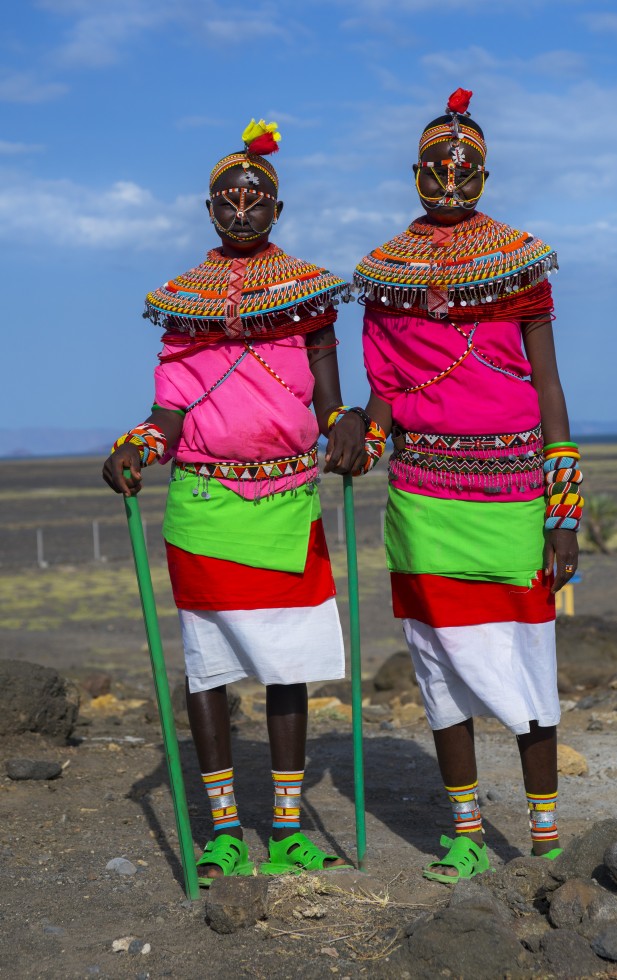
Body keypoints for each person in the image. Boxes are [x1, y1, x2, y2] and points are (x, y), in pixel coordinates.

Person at [103, 118, 369, 884]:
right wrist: (137, 450)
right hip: (204, 511)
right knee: (208, 669)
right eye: (228, 199)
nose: (242, 209)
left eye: (256, 198)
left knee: (287, 669)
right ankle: (222, 829)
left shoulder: (309, 295)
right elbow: (167, 416)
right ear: (209, 209)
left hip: (289, 507)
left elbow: (327, 399)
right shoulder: (184, 304)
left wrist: (344, 424)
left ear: (277, 210)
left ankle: (285, 828)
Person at [354, 88, 582, 881]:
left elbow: (548, 388)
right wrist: (366, 436)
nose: (450, 181)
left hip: (515, 496)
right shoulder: (382, 274)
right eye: (436, 167)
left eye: (466, 169)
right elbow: (384, 384)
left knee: (527, 657)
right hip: (422, 497)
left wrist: (564, 511)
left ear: (484, 175)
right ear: (413, 171)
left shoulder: (519, 261)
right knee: (438, 665)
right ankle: (467, 836)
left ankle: (547, 844)